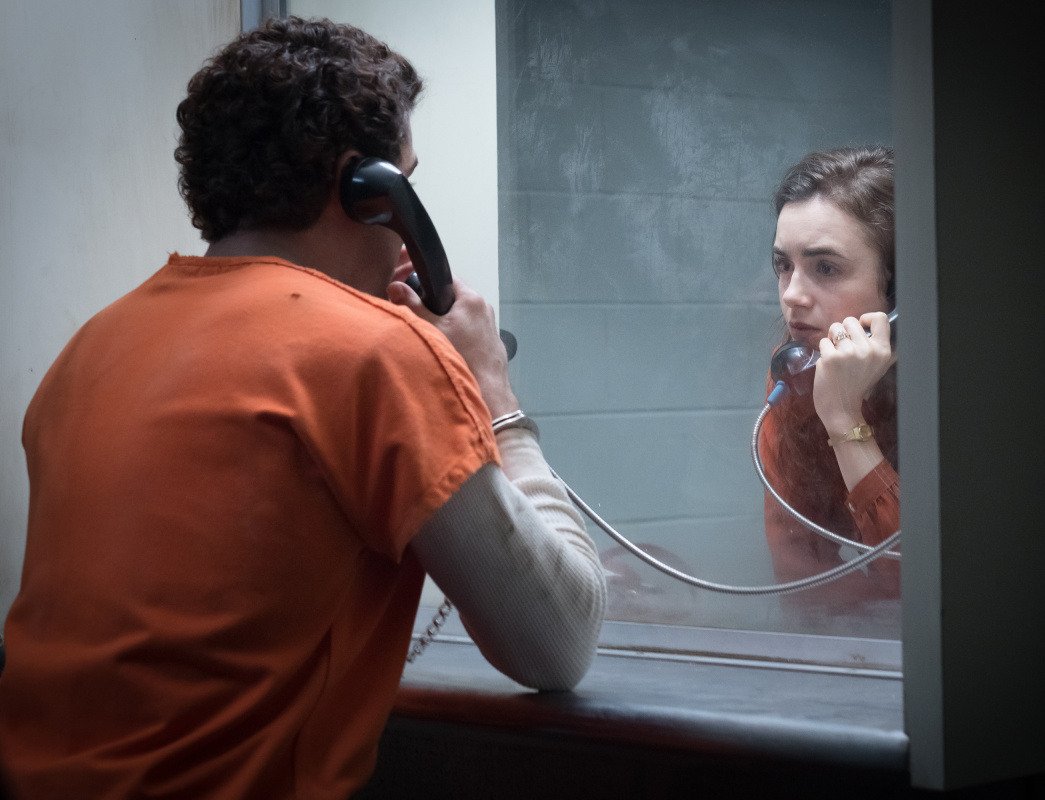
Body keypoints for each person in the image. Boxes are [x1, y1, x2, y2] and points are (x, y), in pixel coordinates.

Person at [0, 17, 605, 799]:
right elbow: (557, 644)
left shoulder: (93, 347)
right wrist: (494, 394)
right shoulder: (373, 354)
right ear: (367, 189)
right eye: (407, 180)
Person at [759, 146, 899, 629]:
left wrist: (843, 420)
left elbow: (925, 588)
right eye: (783, 265)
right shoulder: (797, 373)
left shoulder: (946, 388)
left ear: (896, 289)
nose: (793, 295)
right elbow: (801, 582)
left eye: (825, 268)